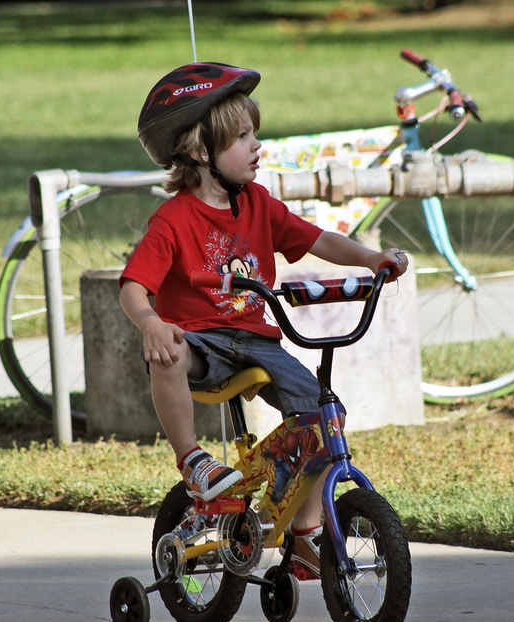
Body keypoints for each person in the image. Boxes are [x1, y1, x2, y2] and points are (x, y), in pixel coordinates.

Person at [119, 62, 408, 578]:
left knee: (325, 415)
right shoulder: (174, 219)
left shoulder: (258, 204)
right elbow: (134, 286)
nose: (257, 146)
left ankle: (305, 535)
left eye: (256, 133)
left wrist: (370, 258)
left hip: (257, 342)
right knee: (166, 349)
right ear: (201, 151)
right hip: (202, 340)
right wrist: (151, 322)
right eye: (243, 136)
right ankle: (192, 460)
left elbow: (317, 239)